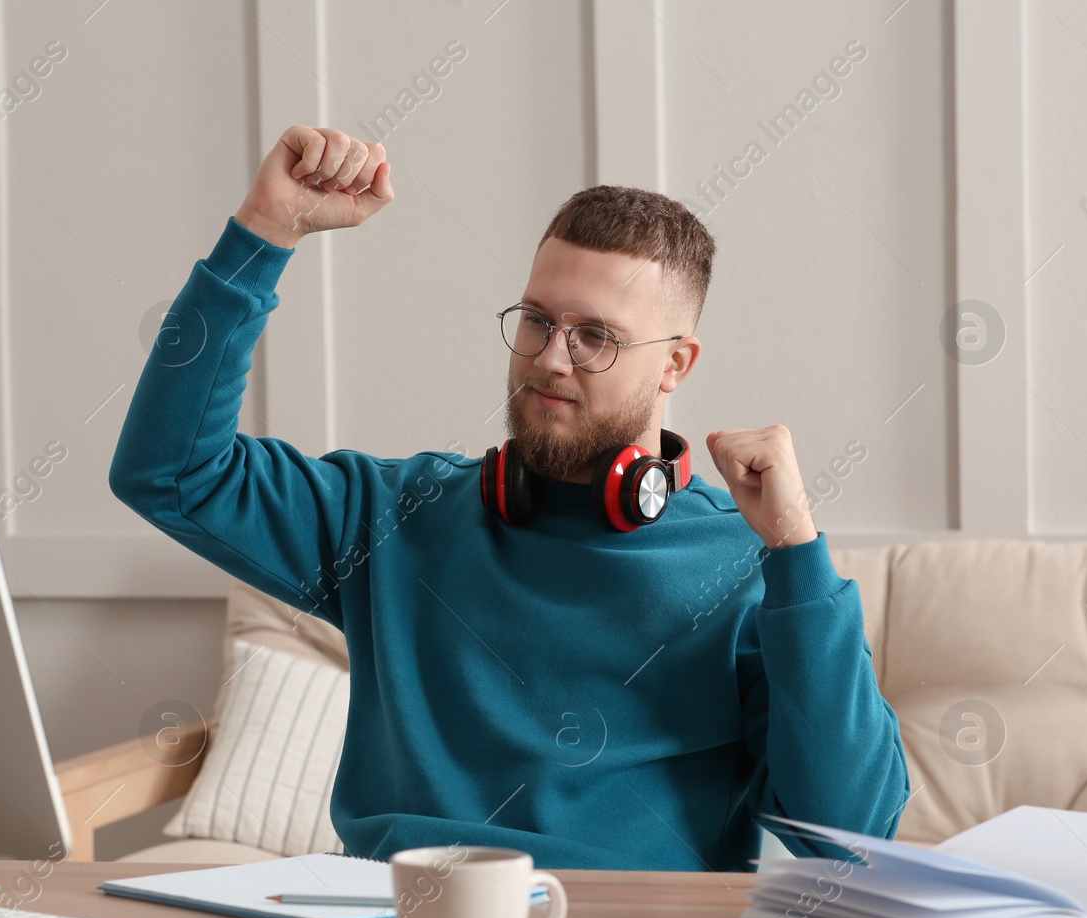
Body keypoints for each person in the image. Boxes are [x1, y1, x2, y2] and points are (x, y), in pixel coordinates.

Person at [110, 125, 909, 869]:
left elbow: (850, 838)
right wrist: (265, 230)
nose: (552, 359)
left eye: (595, 336)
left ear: (675, 365)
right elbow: (169, 471)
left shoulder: (748, 566)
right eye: (537, 320)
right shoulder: (396, 514)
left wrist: (798, 555)